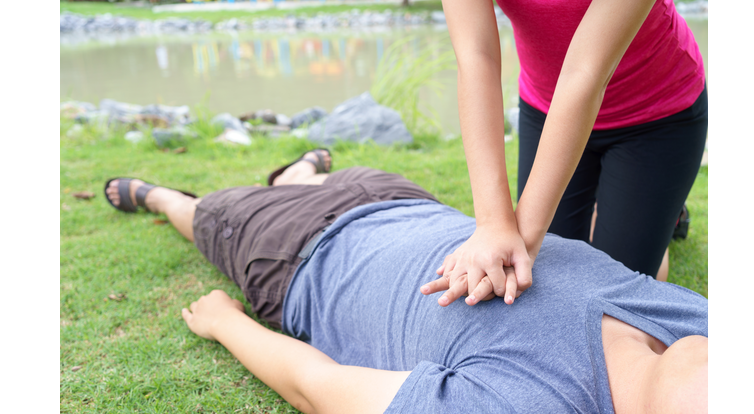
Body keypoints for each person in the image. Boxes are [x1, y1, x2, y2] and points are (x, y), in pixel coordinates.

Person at [104, 150, 708, 413]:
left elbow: (321, 388)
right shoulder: (696, 325)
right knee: (307, 183)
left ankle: (157, 196)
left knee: (209, 212)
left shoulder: (530, 404)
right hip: (403, 202)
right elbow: (636, 268)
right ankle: (300, 172)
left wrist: (224, 324)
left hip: (298, 254)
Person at [435, 0, 708, 304]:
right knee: (544, 276)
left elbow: (586, 71)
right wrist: (493, 224)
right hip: (547, 109)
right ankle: (616, 208)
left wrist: (521, 245)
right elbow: (476, 55)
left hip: (653, 113)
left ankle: (663, 220)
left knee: (612, 286)